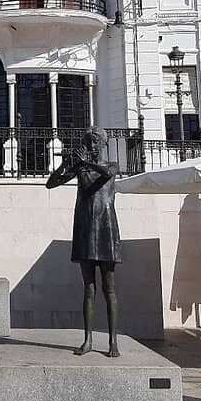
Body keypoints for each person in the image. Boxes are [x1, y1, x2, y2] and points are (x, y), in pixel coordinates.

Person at [46, 127, 121, 357]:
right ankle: (87, 339)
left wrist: (85, 164)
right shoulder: (81, 168)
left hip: (106, 229)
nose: (91, 145)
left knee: (109, 289)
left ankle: (112, 341)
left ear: (103, 144)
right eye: (89, 142)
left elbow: (106, 174)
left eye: (95, 141)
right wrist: (65, 164)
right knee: (88, 288)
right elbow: (51, 183)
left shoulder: (111, 165)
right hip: (85, 228)